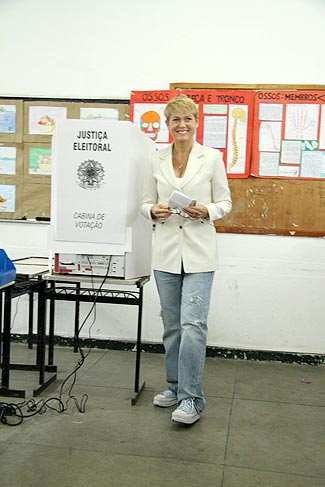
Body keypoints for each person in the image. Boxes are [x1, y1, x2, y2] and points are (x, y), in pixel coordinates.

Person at [140, 94, 232, 424]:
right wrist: (152, 210)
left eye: (188, 119)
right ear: (167, 125)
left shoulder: (211, 158)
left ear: (196, 122)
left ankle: (192, 399)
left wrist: (207, 209)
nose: (182, 125)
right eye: (175, 120)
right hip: (165, 253)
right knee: (172, 326)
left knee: (194, 325)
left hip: (199, 253)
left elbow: (225, 202)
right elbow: (145, 201)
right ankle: (175, 387)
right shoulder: (156, 158)